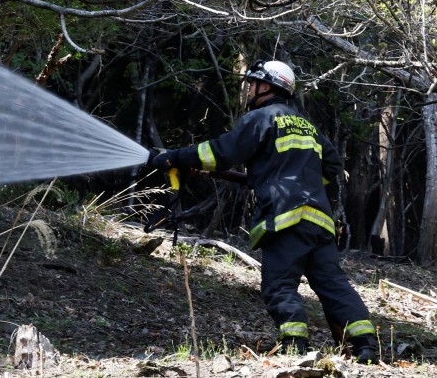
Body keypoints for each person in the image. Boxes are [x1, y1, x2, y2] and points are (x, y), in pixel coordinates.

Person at [152, 60, 379, 364]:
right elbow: (333, 165)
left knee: (279, 285)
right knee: (333, 285)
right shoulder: (306, 124)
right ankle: (366, 345)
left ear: (267, 86)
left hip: (286, 217)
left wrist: (174, 157)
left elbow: (219, 153)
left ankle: (294, 346)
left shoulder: (262, 118)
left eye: (253, 83)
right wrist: (296, 179)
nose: (249, 88)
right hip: (320, 221)